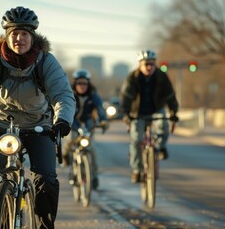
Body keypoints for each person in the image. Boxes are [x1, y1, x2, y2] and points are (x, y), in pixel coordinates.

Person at [0, 6, 75, 229]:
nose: (19, 39)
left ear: (33, 36)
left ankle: (44, 225)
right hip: (0, 122)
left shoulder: (46, 61)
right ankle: (1, 213)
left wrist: (62, 120)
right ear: (7, 36)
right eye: (14, 34)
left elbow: (63, 95)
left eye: (24, 34)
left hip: (38, 124)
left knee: (46, 178)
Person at [120, 50, 179, 183]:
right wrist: (126, 114)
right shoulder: (132, 78)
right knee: (136, 139)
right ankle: (137, 170)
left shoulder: (161, 76)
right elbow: (126, 98)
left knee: (163, 126)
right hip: (138, 112)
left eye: (152, 64)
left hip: (156, 109)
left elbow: (170, 96)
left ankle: (159, 148)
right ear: (140, 65)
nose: (149, 67)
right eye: (146, 64)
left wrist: (174, 112)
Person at [62, 69, 109, 190]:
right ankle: (66, 155)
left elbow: (100, 109)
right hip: (73, 123)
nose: (82, 86)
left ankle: (93, 176)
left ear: (88, 85)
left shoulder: (93, 96)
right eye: (79, 83)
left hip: (88, 124)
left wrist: (103, 120)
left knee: (91, 150)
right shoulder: (69, 94)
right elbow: (64, 108)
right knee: (70, 140)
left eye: (85, 84)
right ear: (75, 84)